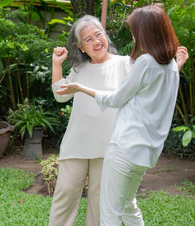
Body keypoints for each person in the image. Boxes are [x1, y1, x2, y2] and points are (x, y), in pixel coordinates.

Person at [55, 5, 189, 226]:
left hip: (122, 147)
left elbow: (116, 99)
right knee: (127, 206)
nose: (134, 36)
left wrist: (80, 88)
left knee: (109, 213)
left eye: (135, 31)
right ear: (81, 47)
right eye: (89, 39)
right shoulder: (168, 67)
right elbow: (155, 87)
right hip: (142, 152)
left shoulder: (141, 63)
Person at [49, 15, 132, 226]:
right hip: (76, 144)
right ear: (81, 48)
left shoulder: (124, 64)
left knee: (99, 203)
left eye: (99, 34)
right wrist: (56, 64)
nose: (96, 41)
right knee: (64, 195)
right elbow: (61, 95)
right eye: (89, 39)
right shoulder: (79, 69)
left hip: (109, 147)